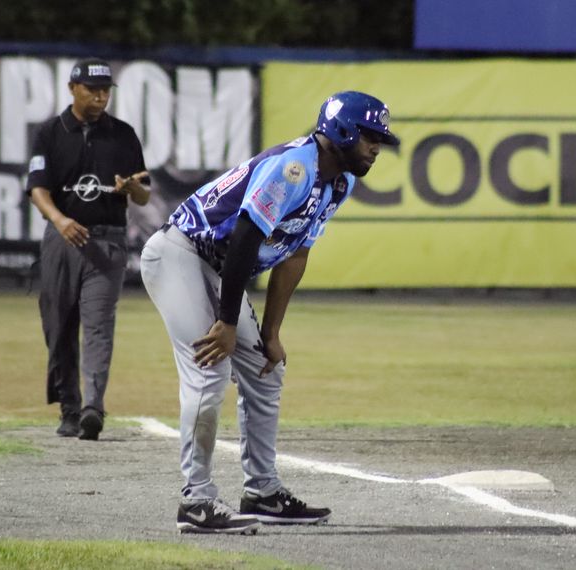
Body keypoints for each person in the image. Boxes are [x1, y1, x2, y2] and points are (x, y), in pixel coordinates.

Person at [140, 91, 400, 534]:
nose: (376, 147)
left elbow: (295, 254)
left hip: (219, 269)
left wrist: (272, 332)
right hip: (180, 253)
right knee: (209, 369)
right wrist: (225, 322)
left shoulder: (340, 180)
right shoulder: (294, 167)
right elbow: (244, 237)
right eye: (369, 136)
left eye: (379, 139)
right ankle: (196, 502)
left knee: (266, 368)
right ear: (341, 131)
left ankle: (262, 492)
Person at [26, 57, 151, 441]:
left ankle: (93, 408)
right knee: (59, 325)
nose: (100, 97)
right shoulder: (50, 132)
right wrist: (60, 221)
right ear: (72, 89)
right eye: (92, 90)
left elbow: (144, 195)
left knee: (99, 326)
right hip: (63, 239)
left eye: (105, 91)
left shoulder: (123, 134)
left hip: (107, 241)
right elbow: (37, 189)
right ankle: (69, 407)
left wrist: (131, 188)